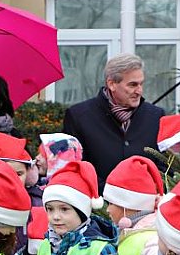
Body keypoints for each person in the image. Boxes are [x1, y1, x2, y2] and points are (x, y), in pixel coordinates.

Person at [61, 53, 165, 188]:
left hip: (146, 203)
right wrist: (110, 193)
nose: (139, 91)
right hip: (97, 203)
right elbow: (75, 167)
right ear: (112, 84)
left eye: (141, 84)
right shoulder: (79, 116)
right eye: (132, 85)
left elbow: (164, 165)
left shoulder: (156, 116)